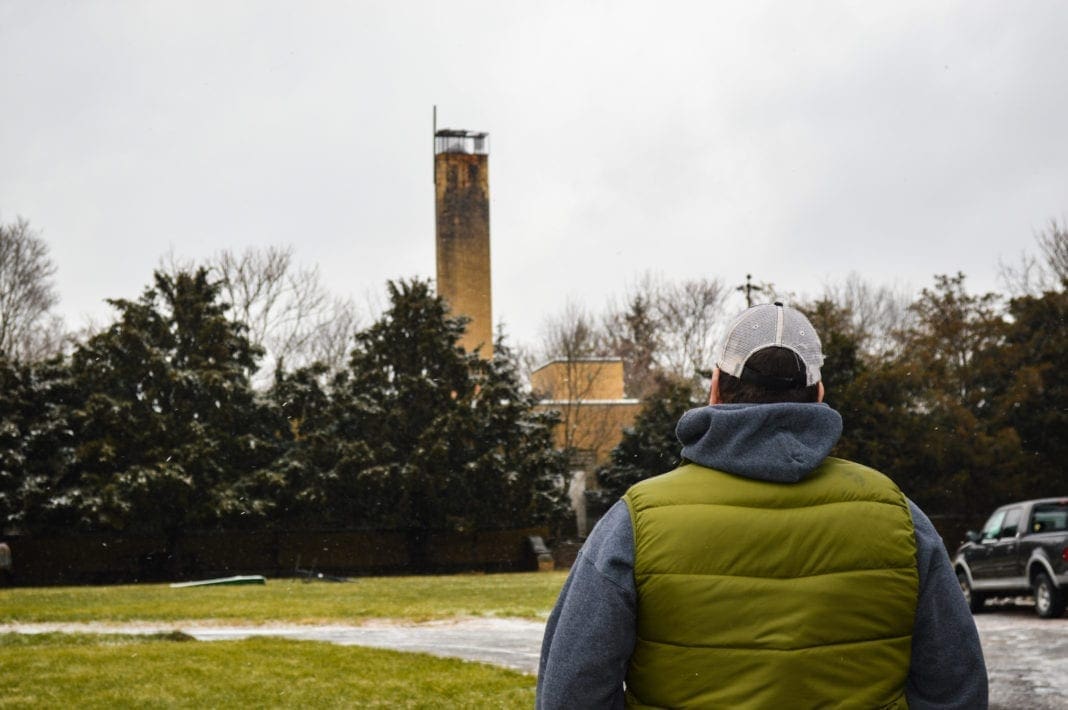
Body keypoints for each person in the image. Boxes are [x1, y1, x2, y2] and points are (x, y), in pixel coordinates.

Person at [536, 302, 987, 709]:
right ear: (819, 393)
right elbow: (956, 688)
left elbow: (569, 695)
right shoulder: (898, 515)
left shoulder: (635, 521)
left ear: (715, 388)